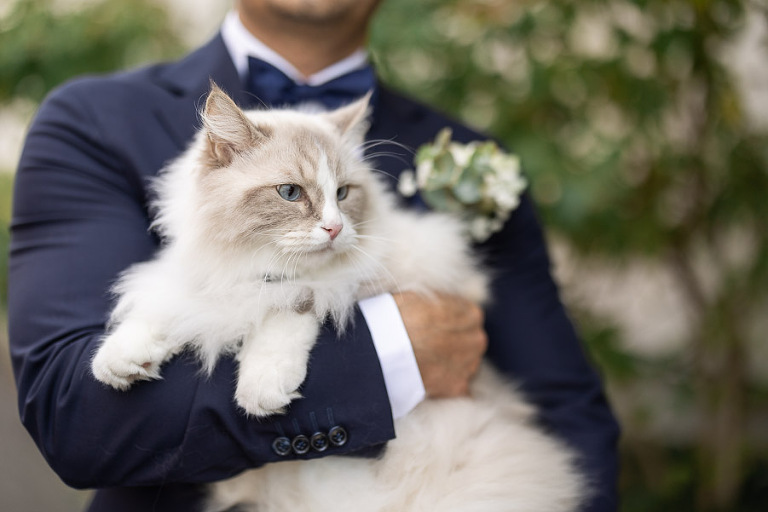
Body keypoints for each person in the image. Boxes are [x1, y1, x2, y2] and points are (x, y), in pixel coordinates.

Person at [8, 1, 620, 511]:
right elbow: (78, 419)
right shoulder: (91, 121)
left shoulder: (469, 153)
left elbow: (569, 410)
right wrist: (391, 354)